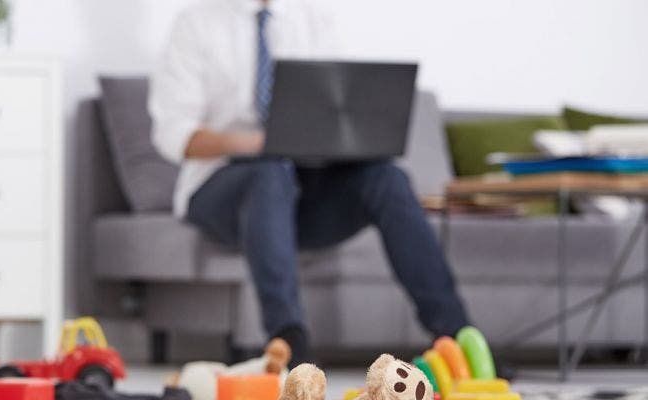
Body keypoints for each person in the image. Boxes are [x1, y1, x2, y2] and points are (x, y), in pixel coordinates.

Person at [149, 0, 471, 367]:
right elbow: (174, 136)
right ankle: (288, 342)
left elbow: (336, 108)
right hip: (221, 185)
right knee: (269, 171)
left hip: (303, 188)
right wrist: (259, 144)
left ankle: (456, 340)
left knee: (387, 178)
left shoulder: (314, 20)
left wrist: (347, 142)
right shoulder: (196, 24)